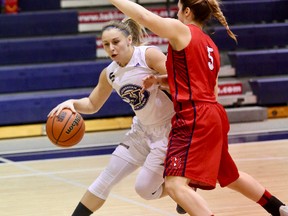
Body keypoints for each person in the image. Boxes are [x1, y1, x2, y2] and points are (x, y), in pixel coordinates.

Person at [106, 0, 288, 215]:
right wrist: (160, 81)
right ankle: (279, 208)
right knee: (231, 176)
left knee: (174, 185)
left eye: (178, 9)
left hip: (194, 116)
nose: (175, 14)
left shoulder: (183, 31)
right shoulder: (210, 44)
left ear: (188, 11)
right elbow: (203, 83)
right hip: (213, 112)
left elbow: (145, 18)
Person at [48, 18, 175, 215]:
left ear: (129, 39)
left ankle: (185, 186)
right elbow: (92, 104)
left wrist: (158, 81)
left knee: (145, 190)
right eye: (106, 44)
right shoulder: (110, 73)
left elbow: (182, 81)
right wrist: (72, 103)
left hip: (168, 131)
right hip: (141, 131)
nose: (111, 48)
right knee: (105, 179)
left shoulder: (148, 55)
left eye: (116, 42)